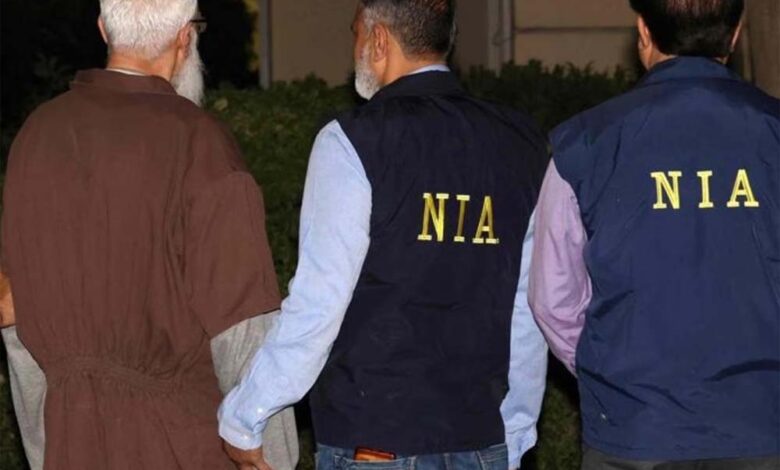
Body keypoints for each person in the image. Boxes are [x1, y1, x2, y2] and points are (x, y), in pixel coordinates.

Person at [218, 1, 550, 469]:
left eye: (355, 33)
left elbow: (319, 303)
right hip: (480, 439)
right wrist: (514, 433)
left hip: (374, 439)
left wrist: (245, 415)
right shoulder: (522, 143)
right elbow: (528, 309)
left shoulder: (352, 141)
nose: (352, 47)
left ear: (378, 40)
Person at [0, 0, 298, 468]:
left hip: (71, 444)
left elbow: (13, 312)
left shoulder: (35, 137)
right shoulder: (199, 144)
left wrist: (46, 446)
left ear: (104, 29)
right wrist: (271, 455)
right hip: (183, 446)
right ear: (184, 38)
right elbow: (243, 325)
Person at [528, 0, 780, 469]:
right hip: (762, 426)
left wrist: (609, 372)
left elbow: (553, 298)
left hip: (635, 430)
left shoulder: (585, 143)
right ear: (736, 33)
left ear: (643, 32)